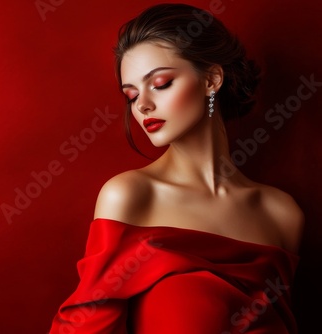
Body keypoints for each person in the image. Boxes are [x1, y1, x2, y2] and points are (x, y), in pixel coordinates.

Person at [49, 3, 304, 333]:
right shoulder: (131, 196)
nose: (142, 105)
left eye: (161, 83)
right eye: (131, 94)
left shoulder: (282, 215)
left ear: (211, 79)